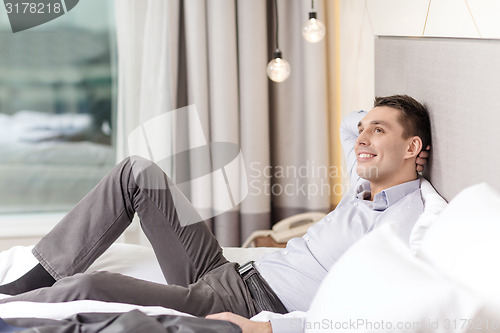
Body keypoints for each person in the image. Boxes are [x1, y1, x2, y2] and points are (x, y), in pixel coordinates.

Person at [0, 95, 431, 333]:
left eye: (378, 131)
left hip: (244, 302)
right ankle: (37, 276)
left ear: (413, 149)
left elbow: (365, 316)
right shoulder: (363, 187)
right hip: (230, 271)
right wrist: (378, 123)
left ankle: (10, 311)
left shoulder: (406, 224)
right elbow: (349, 124)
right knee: (139, 172)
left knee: (92, 285)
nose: (360, 139)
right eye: (364, 131)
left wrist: (270, 329)